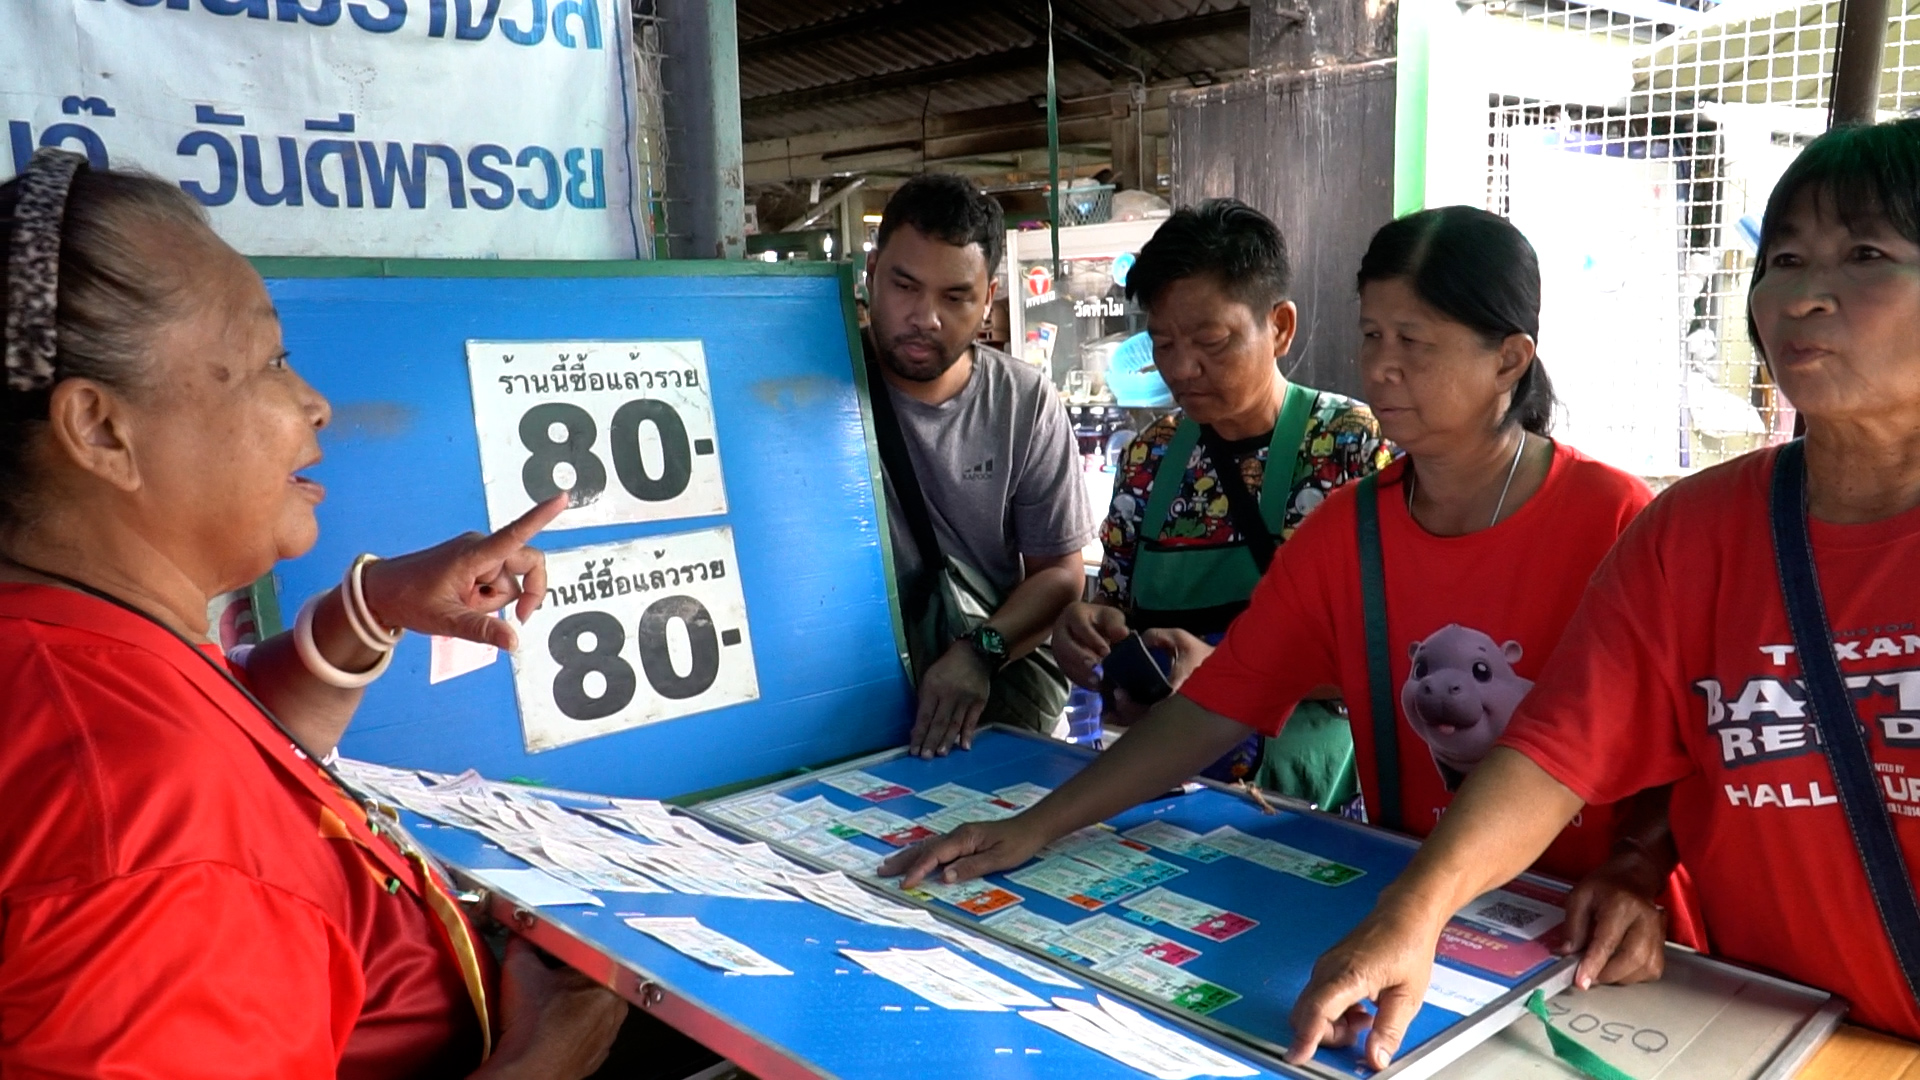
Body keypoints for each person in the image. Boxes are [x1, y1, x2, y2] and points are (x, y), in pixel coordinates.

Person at [885, 204, 1693, 991]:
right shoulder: (1350, 530)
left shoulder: (1615, 519)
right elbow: (1214, 705)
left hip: (1589, 930)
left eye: (1413, 342)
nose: (1381, 367)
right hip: (1407, 898)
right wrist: (1033, 829)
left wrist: (1636, 865)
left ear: (1509, 360)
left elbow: (1688, 736)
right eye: (1372, 335)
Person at [1285, 118, 1920, 1067]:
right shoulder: (1694, 532)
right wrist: (1412, 915)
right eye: (1784, 260)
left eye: (1864, 255)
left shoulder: (1611, 504)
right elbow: (1552, 753)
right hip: (1766, 1028)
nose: (1803, 295)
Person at [0, 150, 626, 1078]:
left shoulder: (66, 640)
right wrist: (551, 1062)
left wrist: (372, 611)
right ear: (100, 429)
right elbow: (183, 810)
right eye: (269, 361)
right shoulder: (157, 849)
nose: (315, 405)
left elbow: (233, 749)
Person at [1054, 199, 1391, 808]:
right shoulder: (1150, 457)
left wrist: (1230, 670)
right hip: (1168, 788)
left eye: (1211, 341)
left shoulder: (1353, 447)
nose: (1182, 368)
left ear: (1280, 327)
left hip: (1315, 803)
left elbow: (1397, 651)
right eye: (1163, 343)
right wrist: (1088, 632)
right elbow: (1116, 606)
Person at [865, 173, 1095, 758]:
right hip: (842, 697)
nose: (925, 317)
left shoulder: (1024, 403)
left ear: (988, 297)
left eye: (955, 296)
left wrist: (981, 652)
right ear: (871, 275)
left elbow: (1060, 573)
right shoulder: (812, 385)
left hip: (984, 703)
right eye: (905, 286)